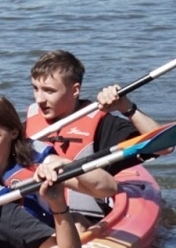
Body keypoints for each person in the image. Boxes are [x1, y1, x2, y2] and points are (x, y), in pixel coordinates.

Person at [23, 50, 162, 202]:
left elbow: (162, 146)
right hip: (34, 213)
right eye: (35, 88)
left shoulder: (103, 125)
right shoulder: (29, 123)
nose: (39, 99)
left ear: (75, 90)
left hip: (84, 217)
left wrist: (126, 107)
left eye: (49, 91)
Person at [0, 94, 117, 226]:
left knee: (76, 222)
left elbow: (108, 188)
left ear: (13, 133)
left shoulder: (39, 161)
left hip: (40, 242)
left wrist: (66, 164)